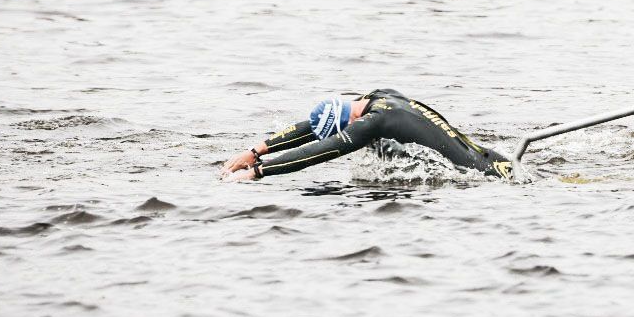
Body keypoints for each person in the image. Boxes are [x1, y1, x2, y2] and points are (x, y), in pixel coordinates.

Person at [220, 90, 514, 182]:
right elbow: (313, 126)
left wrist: (258, 172)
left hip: (484, 179)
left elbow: (318, 152)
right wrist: (256, 151)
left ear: (351, 123)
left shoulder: (371, 124)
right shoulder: (377, 97)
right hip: (495, 160)